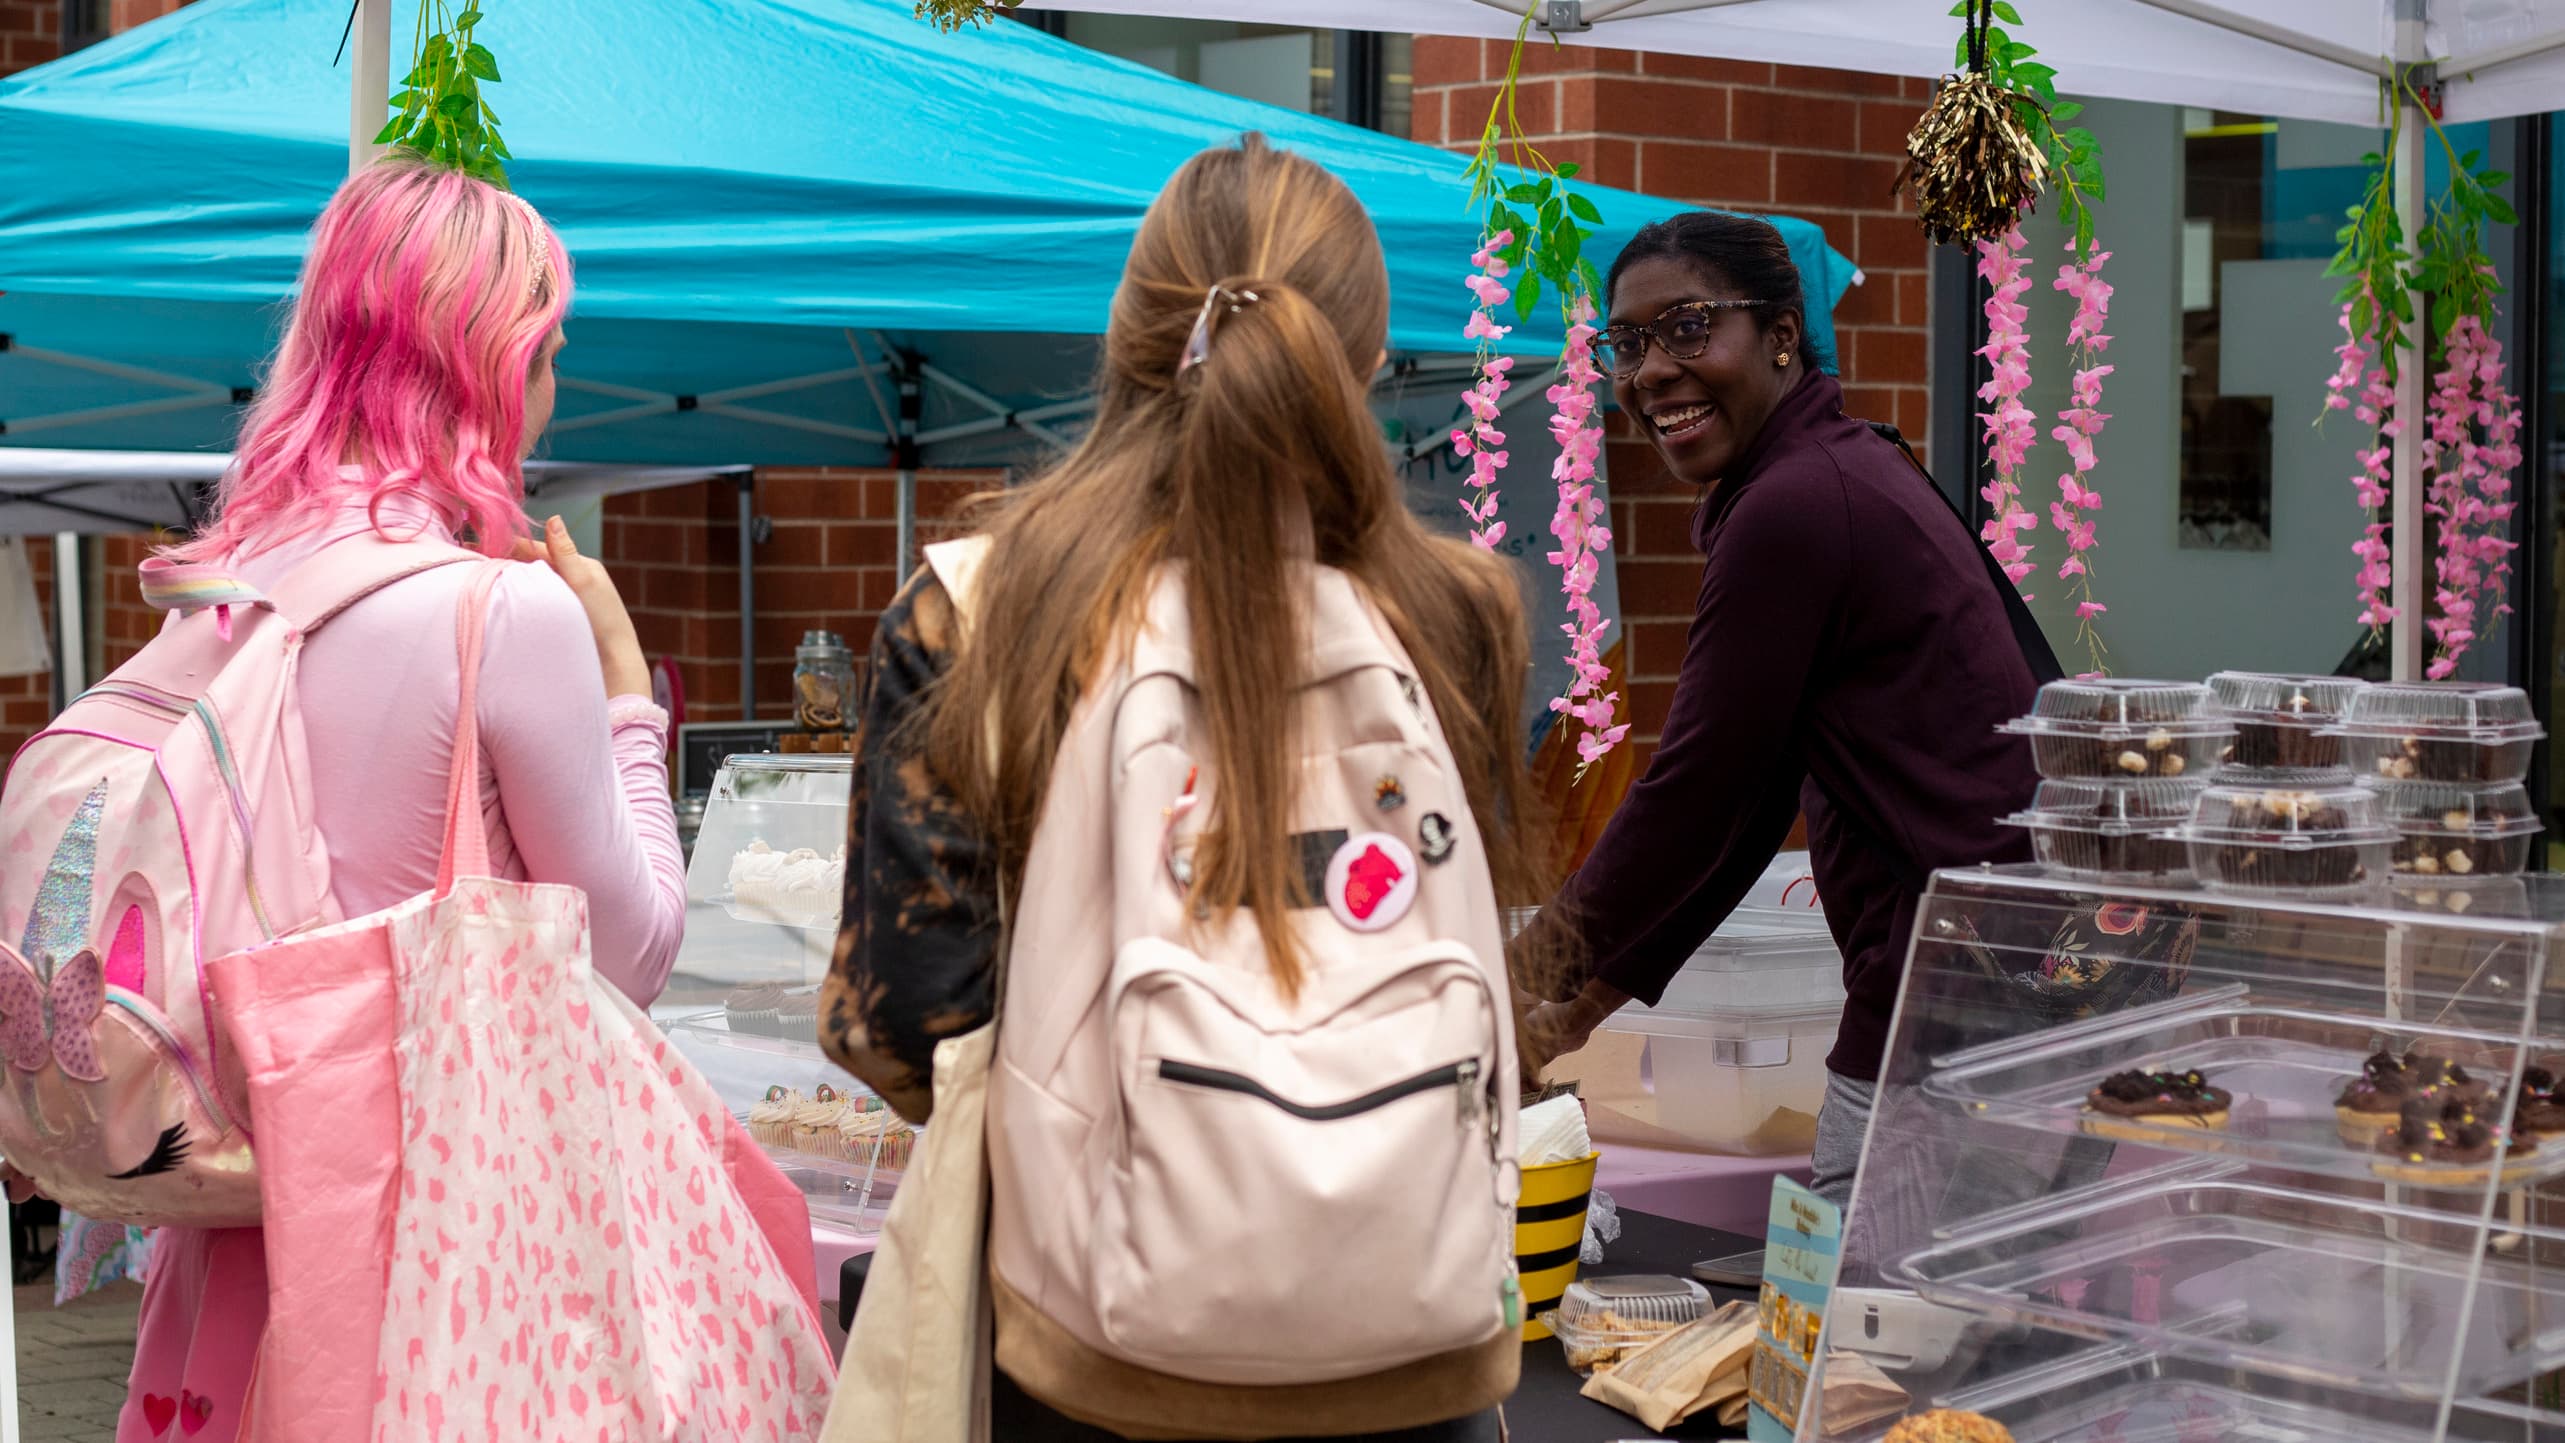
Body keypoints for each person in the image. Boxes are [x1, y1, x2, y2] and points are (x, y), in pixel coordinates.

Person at [821, 135, 1567, 1443]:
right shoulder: (1450, 615)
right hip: (1411, 1342)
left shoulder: (977, 614)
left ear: (1124, 340)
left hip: (1096, 1360)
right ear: (1372, 363)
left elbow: (910, 1022)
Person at [123, 156, 686, 1443]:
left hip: (237, 1220)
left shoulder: (225, 586)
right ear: (485, 364)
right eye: (546, 350)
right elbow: (635, 957)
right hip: (437, 1233)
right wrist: (624, 695)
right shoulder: (503, 612)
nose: (553, 389)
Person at [1517, 212, 2041, 1209]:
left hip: (1950, 1031)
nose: (1650, 372)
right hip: (1978, 1010)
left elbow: (1699, 794)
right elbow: (1746, 805)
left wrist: (1523, 969)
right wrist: (1573, 1010)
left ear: (1783, 339)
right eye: (1626, 345)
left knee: (1878, 1345)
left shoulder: (1794, 507)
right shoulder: (1831, 468)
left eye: (1688, 328)